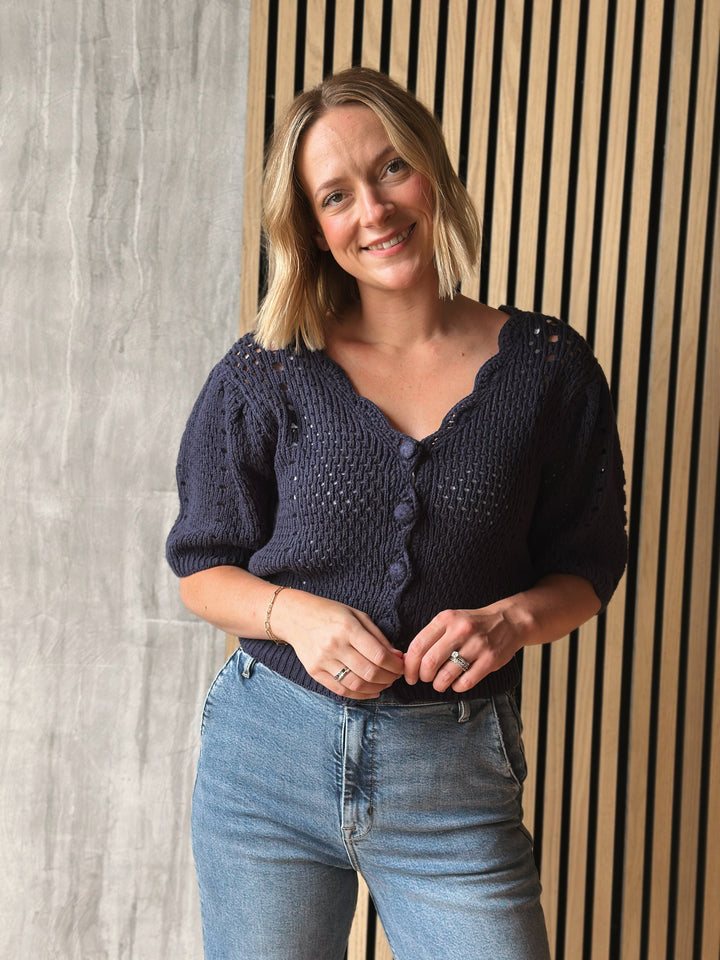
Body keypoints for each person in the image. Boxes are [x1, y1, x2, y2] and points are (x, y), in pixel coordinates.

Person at [166, 67, 627, 960]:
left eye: (390, 170)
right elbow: (201, 567)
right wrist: (294, 614)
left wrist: (510, 619)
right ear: (313, 228)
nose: (372, 211)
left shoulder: (547, 369)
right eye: (335, 195)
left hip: (453, 778)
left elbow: (589, 565)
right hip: (267, 760)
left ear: (431, 169)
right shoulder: (269, 370)